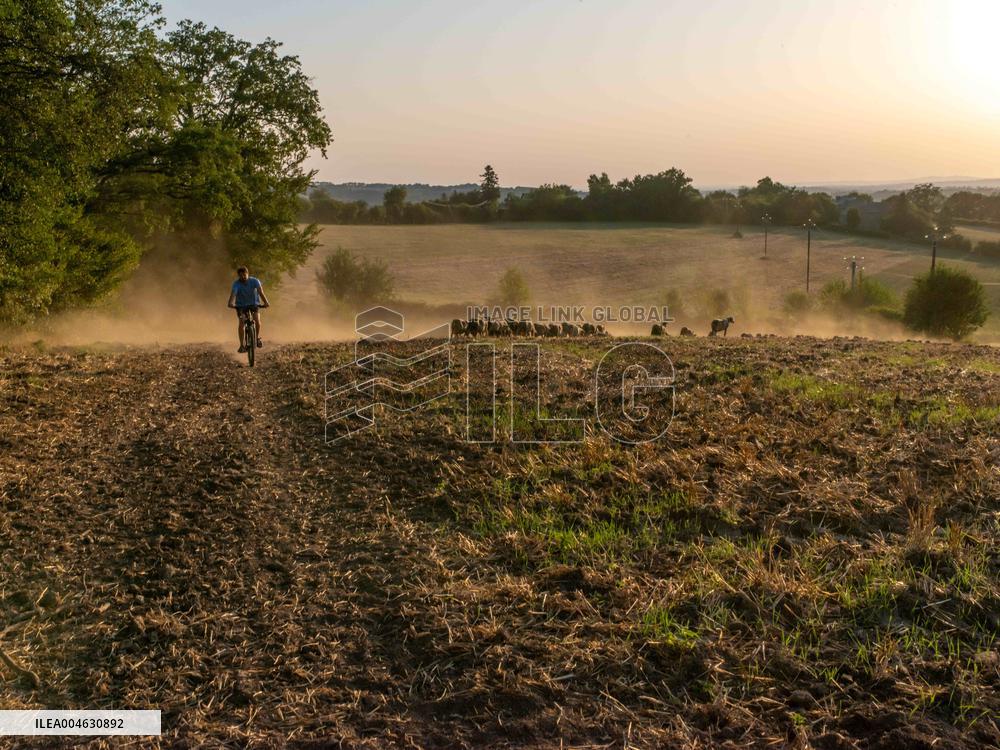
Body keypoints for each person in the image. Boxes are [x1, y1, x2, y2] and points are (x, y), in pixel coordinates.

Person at [227, 266, 270, 353]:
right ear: (238, 276)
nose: (242, 277)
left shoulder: (255, 281)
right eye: (240, 276)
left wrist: (266, 302)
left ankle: (256, 338)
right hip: (241, 306)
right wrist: (231, 303)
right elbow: (233, 294)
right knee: (242, 322)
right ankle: (242, 345)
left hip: (254, 304)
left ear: (248, 274)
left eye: (244, 275)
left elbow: (260, 292)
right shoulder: (236, 284)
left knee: (257, 320)